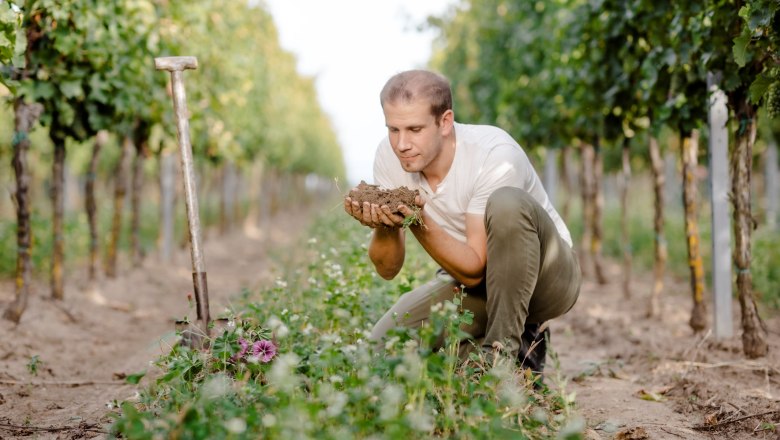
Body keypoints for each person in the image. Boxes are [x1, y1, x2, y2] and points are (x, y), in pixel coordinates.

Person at [344, 69, 581, 375]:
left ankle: (501, 361)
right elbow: (387, 269)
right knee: (381, 347)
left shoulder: (495, 155)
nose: (401, 144)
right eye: (393, 129)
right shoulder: (389, 159)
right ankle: (520, 356)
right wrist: (385, 224)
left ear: (445, 122)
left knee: (507, 203)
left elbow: (473, 269)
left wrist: (416, 220)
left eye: (415, 129)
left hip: (546, 279)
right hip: (480, 286)